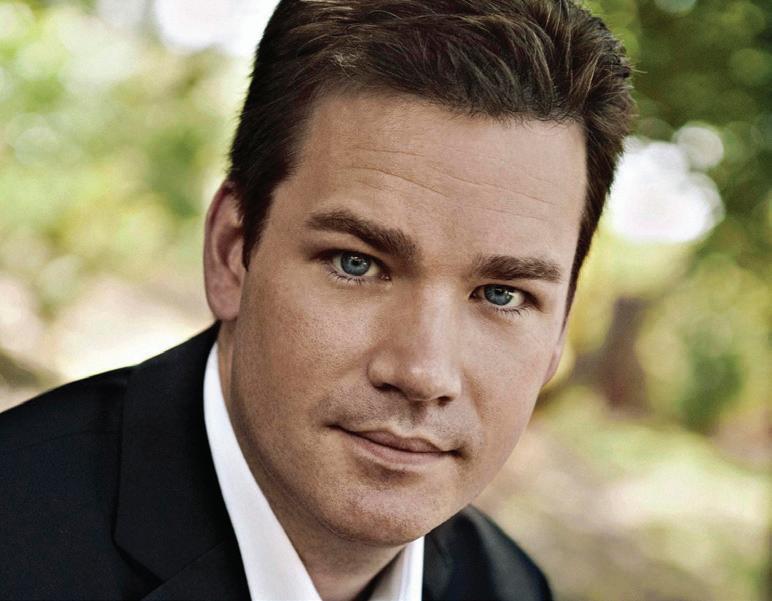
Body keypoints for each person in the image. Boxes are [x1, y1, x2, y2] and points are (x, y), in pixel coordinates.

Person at [0, 1, 633, 599]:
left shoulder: (509, 586)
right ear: (232, 252)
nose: (423, 373)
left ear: (560, 332)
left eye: (502, 294)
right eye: (357, 264)